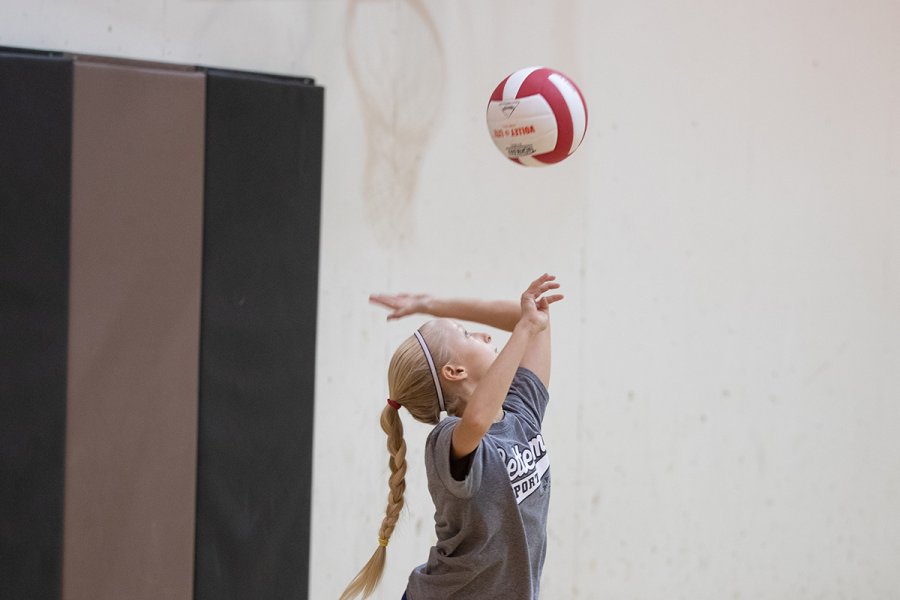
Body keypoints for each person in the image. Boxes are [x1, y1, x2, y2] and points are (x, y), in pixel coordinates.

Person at [339, 273, 564, 600]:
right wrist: (525, 328)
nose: (486, 336)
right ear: (454, 372)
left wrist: (427, 304)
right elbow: (475, 421)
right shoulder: (445, 440)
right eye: (468, 336)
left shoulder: (521, 412)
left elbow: (529, 319)